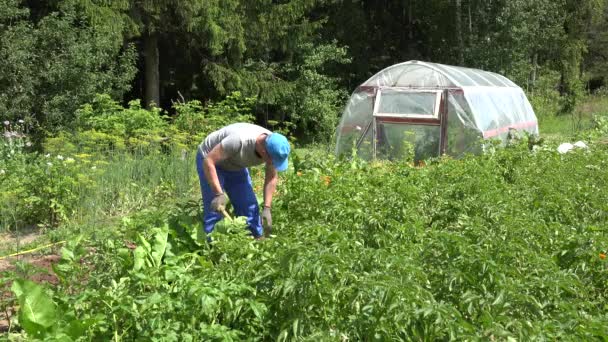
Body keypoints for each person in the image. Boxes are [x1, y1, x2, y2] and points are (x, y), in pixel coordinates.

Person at [196, 122, 291, 240]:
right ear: (263, 152)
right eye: (273, 160)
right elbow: (209, 161)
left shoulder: (275, 145)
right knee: (215, 210)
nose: (273, 163)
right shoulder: (239, 140)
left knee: (249, 205)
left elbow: (271, 177)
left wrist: (267, 207)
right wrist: (218, 193)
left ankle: (256, 241)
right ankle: (214, 249)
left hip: (235, 164)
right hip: (210, 160)